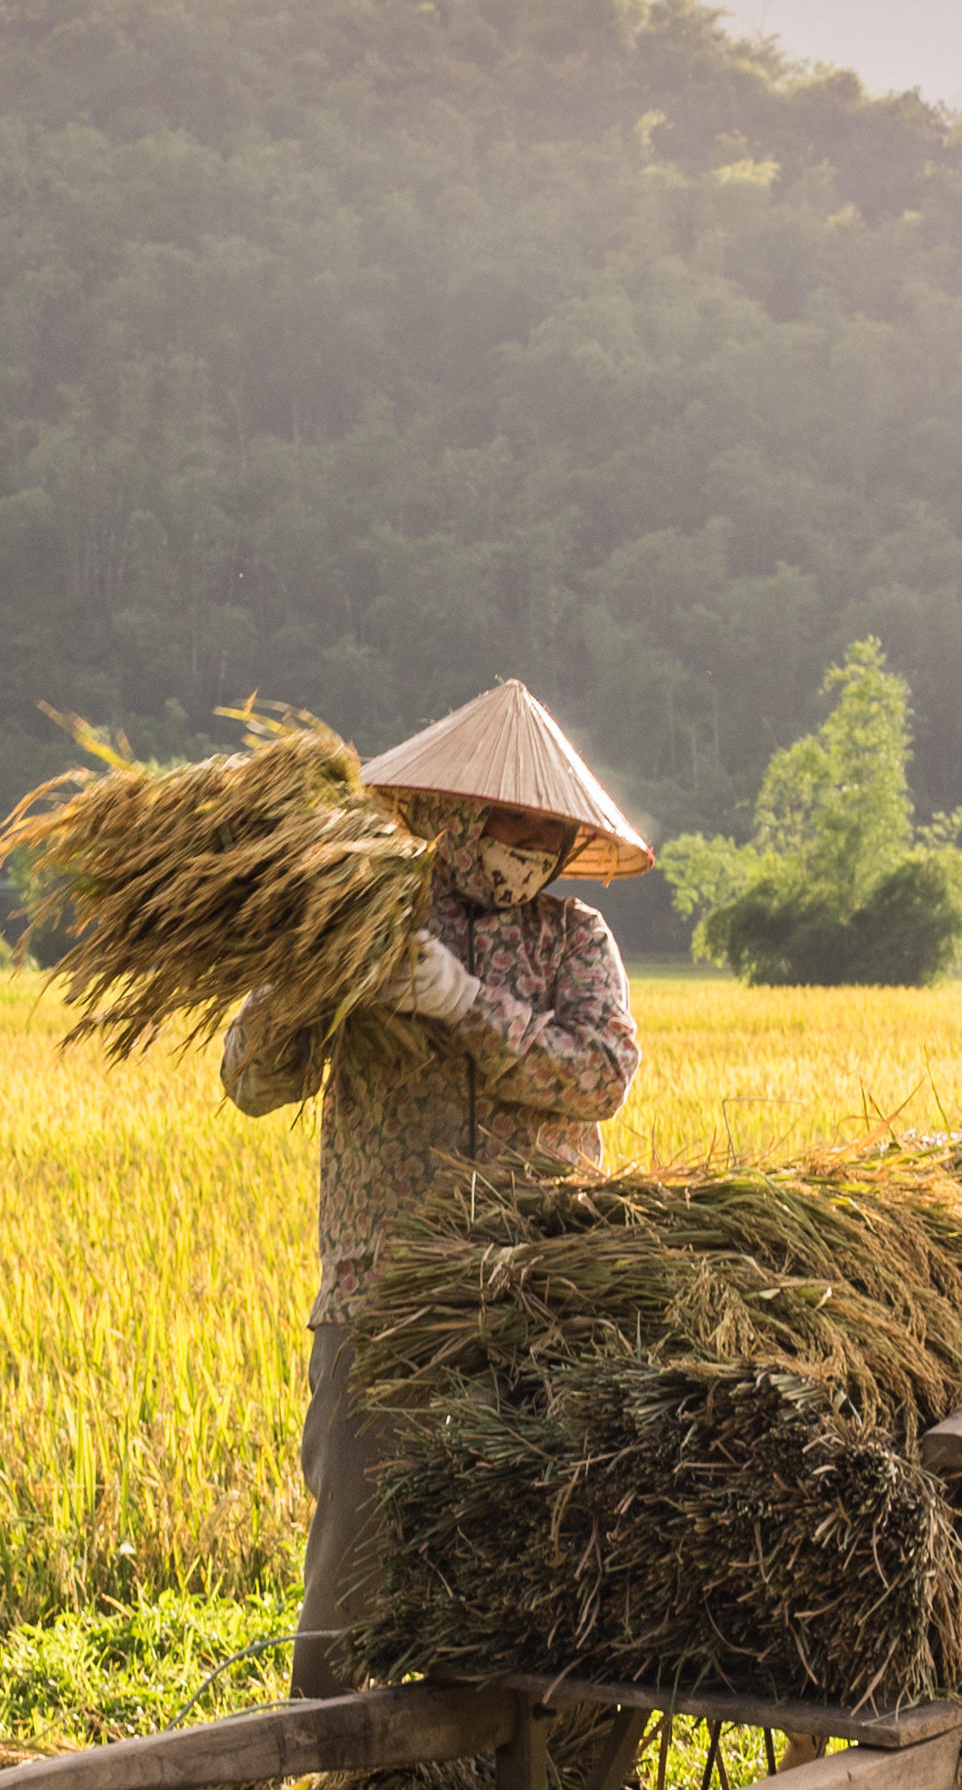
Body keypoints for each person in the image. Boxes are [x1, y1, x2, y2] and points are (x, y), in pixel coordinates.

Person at [219, 680, 649, 1694]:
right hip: (385, 1296)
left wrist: (470, 1005)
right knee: (358, 1554)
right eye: (514, 823)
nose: (529, 848)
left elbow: (601, 1075)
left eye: (550, 832)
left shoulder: (572, 941)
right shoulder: (361, 915)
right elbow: (249, 1079)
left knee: (523, 1555)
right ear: (458, 816)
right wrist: (312, 993)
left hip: (534, 1293)